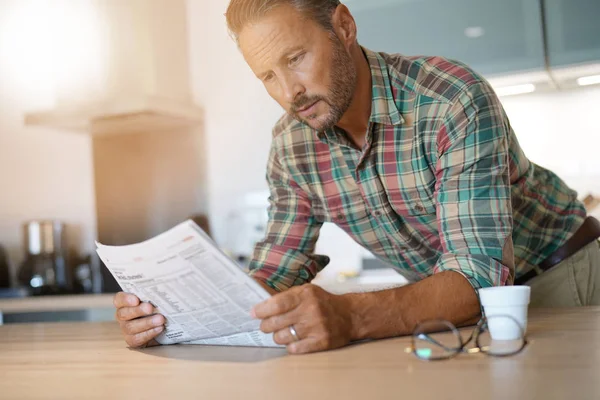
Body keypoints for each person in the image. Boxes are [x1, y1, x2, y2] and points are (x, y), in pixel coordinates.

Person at [113, 0, 600, 354]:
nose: (289, 93)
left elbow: (478, 277)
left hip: (567, 279)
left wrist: (350, 315)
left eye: (294, 58)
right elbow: (277, 271)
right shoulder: (292, 146)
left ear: (343, 26)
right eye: (266, 76)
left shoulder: (450, 100)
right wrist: (174, 314)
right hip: (461, 309)